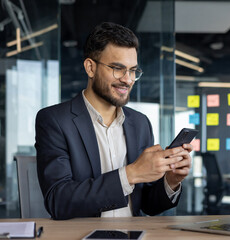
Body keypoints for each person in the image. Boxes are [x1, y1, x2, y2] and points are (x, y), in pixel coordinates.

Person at [35, 22, 192, 220]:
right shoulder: (55, 120)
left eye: (133, 70)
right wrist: (130, 174)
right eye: (118, 68)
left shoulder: (140, 123)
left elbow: (148, 205)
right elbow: (59, 201)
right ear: (90, 67)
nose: (127, 79)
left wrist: (171, 180)